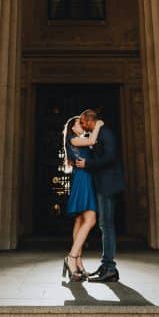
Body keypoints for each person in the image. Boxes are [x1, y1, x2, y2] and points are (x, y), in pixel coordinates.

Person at [74, 109, 124, 283]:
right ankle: (106, 266)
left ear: (89, 120)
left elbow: (110, 157)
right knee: (104, 225)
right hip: (102, 184)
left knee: (106, 225)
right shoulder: (96, 134)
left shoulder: (106, 133)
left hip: (108, 185)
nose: (81, 124)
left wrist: (88, 163)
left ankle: (110, 268)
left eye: (82, 121)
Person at [61, 115, 101, 282]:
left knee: (80, 220)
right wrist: (98, 124)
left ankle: (77, 261)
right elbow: (92, 141)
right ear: (72, 127)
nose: (82, 125)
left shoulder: (79, 139)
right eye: (79, 123)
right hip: (82, 179)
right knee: (90, 219)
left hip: (84, 178)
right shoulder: (73, 139)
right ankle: (71, 257)